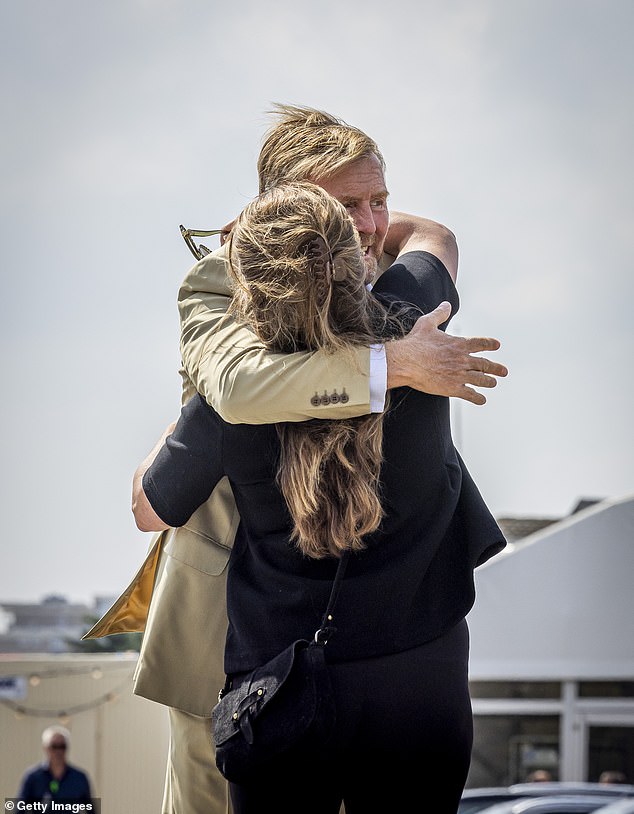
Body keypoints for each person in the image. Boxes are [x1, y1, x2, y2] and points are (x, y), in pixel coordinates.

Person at [90, 105, 508, 814]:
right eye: (348, 208)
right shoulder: (410, 323)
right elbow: (242, 384)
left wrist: (304, 226)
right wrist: (391, 366)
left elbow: (151, 500)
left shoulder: (399, 319)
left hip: (272, 646)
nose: (372, 225)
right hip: (234, 640)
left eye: (378, 201)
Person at [17, 725, 93, 804]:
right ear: (45, 748)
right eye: (54, 746)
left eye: (62, 747)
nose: (58, 751)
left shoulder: (79, 778)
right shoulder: (33, 777)